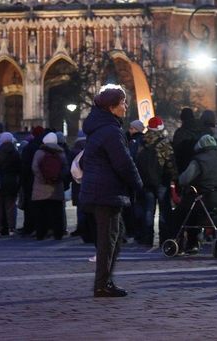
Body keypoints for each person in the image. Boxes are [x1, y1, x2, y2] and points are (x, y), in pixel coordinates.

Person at [78, 84, 144, 297]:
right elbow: (123, 163)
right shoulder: (111, 131)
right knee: (109, 239)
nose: (126, 106)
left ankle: (105, 281)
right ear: (111, 107)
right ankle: (102, 284)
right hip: (107, 192)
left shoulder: (100, 128)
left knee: (114, 237)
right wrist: (138, 184)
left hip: (102, 190)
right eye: (122, 103)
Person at [134, 116, 177, 248]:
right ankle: (165, 238)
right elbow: (170, 162)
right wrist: (174, 177)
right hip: (161, 180)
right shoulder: (163, 143)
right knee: (164, 210)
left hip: (146, 181)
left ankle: (147, 238)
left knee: (148, 210)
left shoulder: (141, 142)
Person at [29, 132, 67, 240]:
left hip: (40, 188)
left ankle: (41, 234)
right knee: (56, 212)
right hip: (56, 188)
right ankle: (58, 234)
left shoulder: (39, 152)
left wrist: (43, 179)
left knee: (41, 212)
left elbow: (34, 167)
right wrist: (58, 178)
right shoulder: (61, 152)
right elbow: (65, 168)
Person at [0, 133, 21, 237]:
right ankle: (11, 229)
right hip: (11, 182)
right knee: (10, 207)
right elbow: (19, 169)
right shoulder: (15, 153)